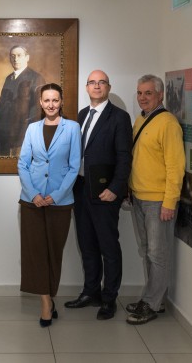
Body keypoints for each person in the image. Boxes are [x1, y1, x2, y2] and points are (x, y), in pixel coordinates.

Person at [65, 70, 132, 320]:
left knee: (108, 246)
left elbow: (124, 158)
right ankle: (90, 292)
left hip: (105, 192)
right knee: (87, 244)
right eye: (92, 82)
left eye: (101, 82)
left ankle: (109, 298)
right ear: (86, 87)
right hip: (81, 189)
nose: (96, 86)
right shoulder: (82, 115)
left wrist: (115, 189)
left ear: (108, 87)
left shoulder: (120, 117)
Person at [18, 83, 80, 327]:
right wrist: (33, 194)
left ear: (61, 102)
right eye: (47, 100)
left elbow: (74, 166)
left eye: (55, 100)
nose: (51, 104)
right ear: (41, 103)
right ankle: (45, 302)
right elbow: (23, 164)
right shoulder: (32, 128)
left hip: (60, 201)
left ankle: (50, 297)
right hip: (31, 201)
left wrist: (56, 195)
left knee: (54, 251)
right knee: (35, 252)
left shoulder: (72, 128)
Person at [126, 74, 185, 325]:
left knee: (158, 254)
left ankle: (151, 304)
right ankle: (155, 300)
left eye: (148, 93)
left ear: (160, 95)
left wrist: (169, 202)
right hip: (139, 197)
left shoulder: (168, 123)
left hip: (158, 201)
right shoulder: (141, 119)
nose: (143, 98)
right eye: (140, 93)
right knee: (148, 252)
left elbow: (176, 166)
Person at [0, 45, 45, 156]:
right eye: (13, 56)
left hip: (22, 139)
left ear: (27, 57)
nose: (15, 59)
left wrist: (29, 138)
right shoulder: (9, 78)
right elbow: (1, 107)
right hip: (4, 138)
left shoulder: (36, 78)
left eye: (19, 55)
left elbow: (37, 112)